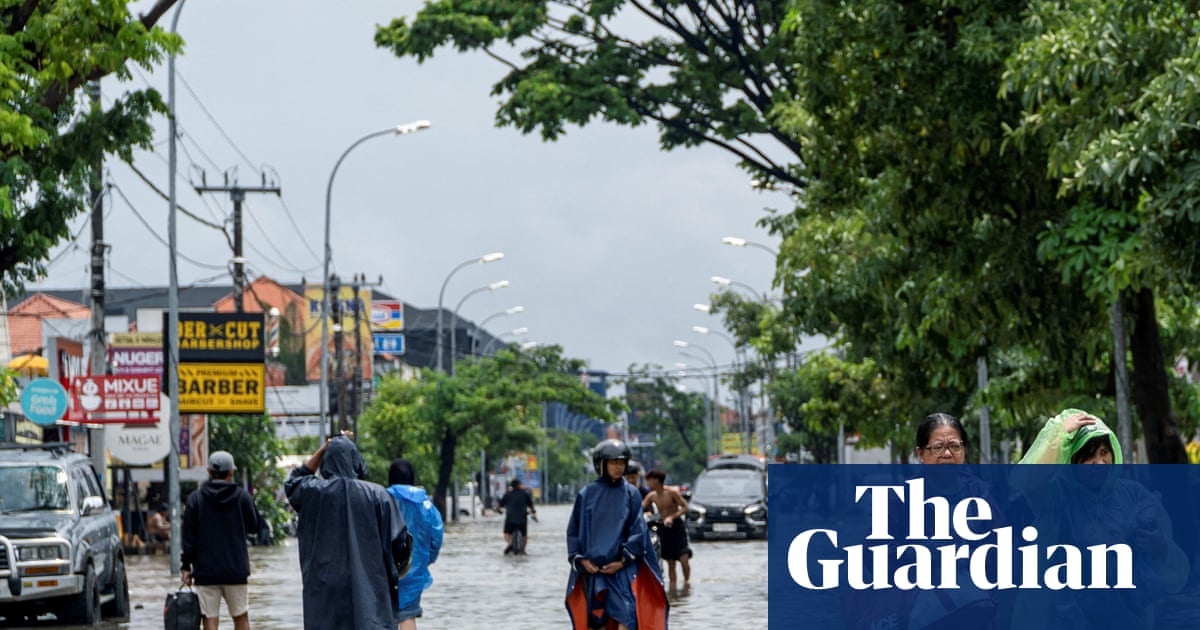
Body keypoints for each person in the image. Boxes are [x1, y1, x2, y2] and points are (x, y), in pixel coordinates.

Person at [1012, 409, 1188, 630]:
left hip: (1132, 618)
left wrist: (1159, 547)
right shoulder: (1058, 496)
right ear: (1073, 460)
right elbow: (1029, 482)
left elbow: (1172, 561)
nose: (1099, 462)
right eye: (1088, 456)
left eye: (1104, 452)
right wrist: (1059, 435)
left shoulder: (1134, 495)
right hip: (1071, 619)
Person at [286, 434, 412, 630]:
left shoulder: (311, 492)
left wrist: (323, 449)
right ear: (356, 461)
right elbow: (399, 543)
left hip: (323, 595)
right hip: (369, 592)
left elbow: (294, 481)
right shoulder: (379, 495)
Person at [565, 439, 668, 630]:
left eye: (622, 463)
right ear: (601, 464)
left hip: (623, 571)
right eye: (614, 462)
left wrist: (622, 561)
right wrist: (582, 561)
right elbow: (573, 532)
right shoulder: (586, 494)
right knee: (597, 622)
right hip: (593, 572)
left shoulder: (631, 494)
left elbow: (638, 532)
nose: (619, 467)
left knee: (627, 619)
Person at [181, 451, 260, 630]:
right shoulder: (242, 497)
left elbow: (188, 538)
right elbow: (255, 526)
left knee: (209, 620)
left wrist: (186, 567)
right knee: (241, 618)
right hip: (235, 570)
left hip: (205, 571)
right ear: (231, 472)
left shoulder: (196, 499)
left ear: (208, 471)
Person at [386, 458, 444, 630]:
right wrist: (425, 561)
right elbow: (436, 538)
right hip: (413, 570)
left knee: (379, 614)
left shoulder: (380, 498)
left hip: (381, 570)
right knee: (407, 615)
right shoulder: (426, 505)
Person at [642, 470, 692, 583]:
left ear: (656, 480)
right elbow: (641, 507)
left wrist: (672, 517)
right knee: (670, 561)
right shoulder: (652, 496)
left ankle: (687, 583)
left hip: (677, 527)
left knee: (684, 558)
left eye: (649, 481)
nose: (648, 484)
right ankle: (673, 588)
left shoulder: (671, 493)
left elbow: (685, 507)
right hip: (664, 528)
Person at [497, 477, 537, 554]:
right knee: (524, 535)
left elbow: (499, 506)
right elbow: (531, 506)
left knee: (506, 533)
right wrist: (533, 512)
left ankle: (510, 543)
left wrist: (498, 511)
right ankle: (523, 549)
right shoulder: (525, 494)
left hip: (510, 519)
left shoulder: (507, 494)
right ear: (519, 485)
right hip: (522, 519)